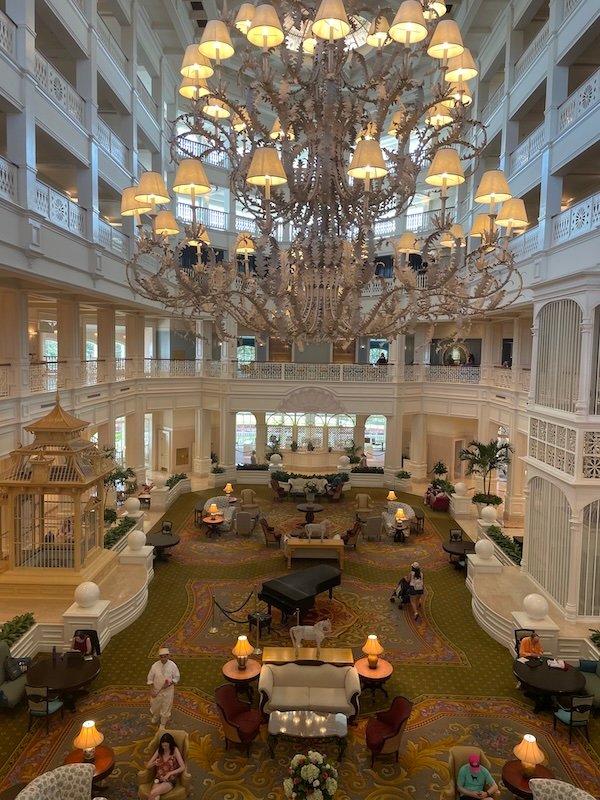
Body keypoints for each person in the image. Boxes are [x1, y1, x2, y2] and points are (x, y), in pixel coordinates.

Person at [145, 731, 185, 799]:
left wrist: (169, 774)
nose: (164, 747)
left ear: (170, 744)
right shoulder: (159, 750)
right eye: (162, 745)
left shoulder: (175, 750)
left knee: (153, 793)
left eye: (166, 746)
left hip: (169, 780)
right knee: (156, 797)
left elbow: (182, 767)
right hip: (159, 778)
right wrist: (154, 763)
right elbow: (147, 766)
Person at [147, 647, 180, 727]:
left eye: (165, 656)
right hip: (157, 690)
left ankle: (163, 723)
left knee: (166, 706)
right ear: (159, 657)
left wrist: (169, 683)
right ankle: (156, 716)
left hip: (168, 691)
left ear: (168, 656)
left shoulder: (173, 665)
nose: (163, 659)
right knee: (155, 705)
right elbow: (150, 678)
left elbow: (176, 677)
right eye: (161, 657)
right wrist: (152, 690)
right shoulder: (155, 666)